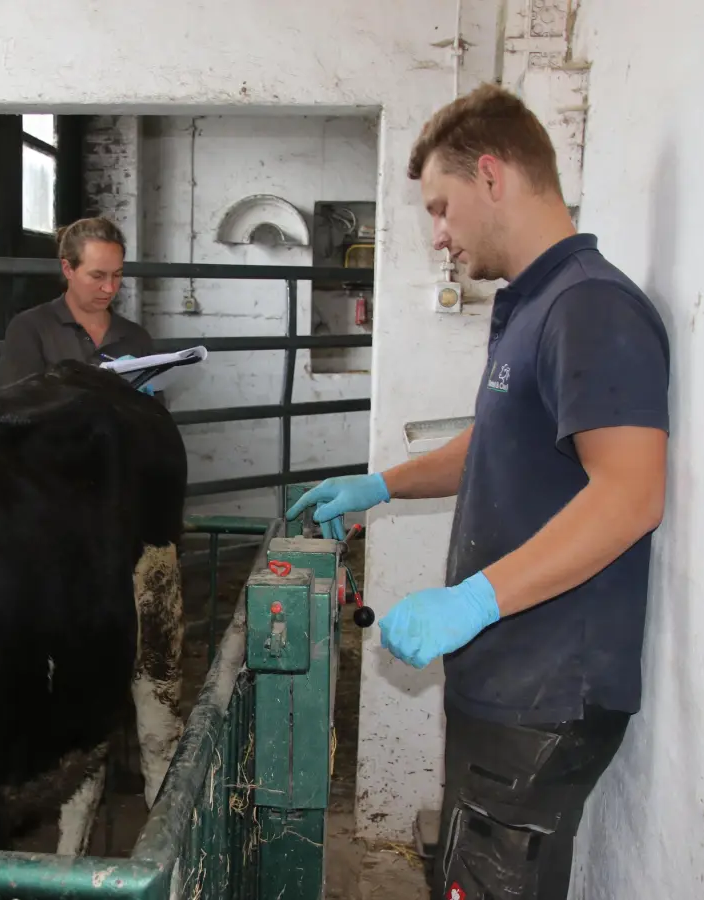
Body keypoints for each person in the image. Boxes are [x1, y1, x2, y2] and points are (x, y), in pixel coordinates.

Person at [287, 83, 670, 899]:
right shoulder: (534, 304)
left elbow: (631, 495)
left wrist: (475, 602)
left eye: (441, 208)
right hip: (511, 677)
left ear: (491, 176)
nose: (438, 235)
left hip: (547, 685)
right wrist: (379, 484)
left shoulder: (590, 307)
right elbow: (495, 443)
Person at [0, 217, 158, 392]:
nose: (109, 288)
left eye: (117, 275)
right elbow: (15, 408)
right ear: (67, 269)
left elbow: (156, 414)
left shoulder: (136, 337)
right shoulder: (30, 329)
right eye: (97, 276)